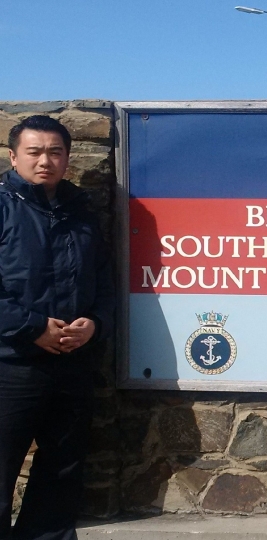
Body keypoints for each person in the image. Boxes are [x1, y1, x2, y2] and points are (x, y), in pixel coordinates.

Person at [0, 116, 114, 540]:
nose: (45, 160)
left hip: (73, 364)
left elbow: (104, 282)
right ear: (14, 156)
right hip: (11, 365)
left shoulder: (81, 212)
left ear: (67, 157)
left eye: (54, 152)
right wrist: (32, 328)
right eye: (34, 152)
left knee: (61, 471)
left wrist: (95, 324)